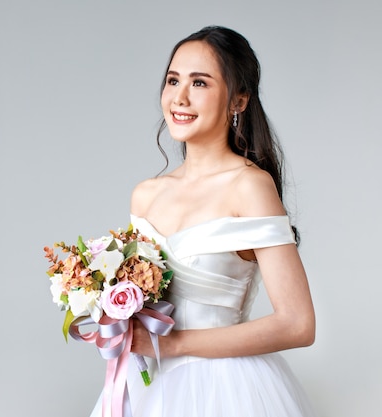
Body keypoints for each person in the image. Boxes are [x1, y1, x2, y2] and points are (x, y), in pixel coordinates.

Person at [90, 25, 317, 416]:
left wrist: (176, 344)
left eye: (200, 83)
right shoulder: (146, 194)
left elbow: (298, 324)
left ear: (239, 100)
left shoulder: (250, 186)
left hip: (226, 389)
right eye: (173, 80)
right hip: (149, 386)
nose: (179, 97)